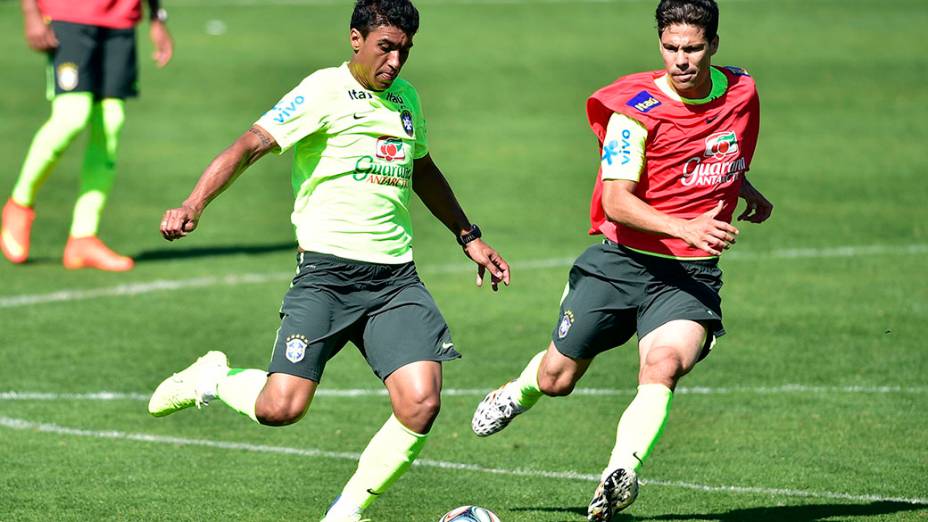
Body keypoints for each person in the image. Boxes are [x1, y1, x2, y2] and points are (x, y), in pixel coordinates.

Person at [147, 1, 510, 521]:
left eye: (404, 51)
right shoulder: (322, 90)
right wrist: (193, 203)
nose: (395, 62)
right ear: (356, 39)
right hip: (327, 277)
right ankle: (213, 378)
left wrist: (468, 235)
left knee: (421, 402)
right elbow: (251, 144)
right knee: (282, 408)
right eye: (386, 47)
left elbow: (422, 168)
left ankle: (346, 513)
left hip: (394, 280)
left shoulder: (406, 99)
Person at [471, 1, 773, 519]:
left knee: (664, 365)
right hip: (620, 264)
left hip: (688, 275)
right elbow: (617, 202)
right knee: (556, 379)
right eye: (671, 48)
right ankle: (516, 392)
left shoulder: (741, 90)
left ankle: (620, 473)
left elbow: (711, 149)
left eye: (693, 48)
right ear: (660, 45)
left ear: (714, 46)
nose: (681, 59)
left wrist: (742, 185)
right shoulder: (633, 112)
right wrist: (689, 226)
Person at [1, 0, 173, 271]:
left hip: (121, 20)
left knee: (110, 123)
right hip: (67, 15)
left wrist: (156, 16)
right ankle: (20, 204)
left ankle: (83, 237)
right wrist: (30, 10)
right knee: (72, 116)